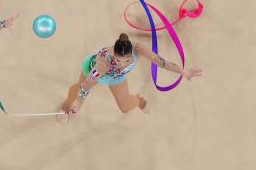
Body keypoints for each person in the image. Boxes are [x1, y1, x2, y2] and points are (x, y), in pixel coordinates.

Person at [59, 33, 203, 122]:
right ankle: (66, 108)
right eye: (117, 60)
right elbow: (88, 83)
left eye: (126, 61)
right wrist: (79, 102)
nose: (121, 64)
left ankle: (140, 101)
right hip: (91, 69)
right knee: (76, 91)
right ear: (113, 54)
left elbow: (162, 63)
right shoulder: (104, 62)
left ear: (131, 54)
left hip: (116, 78)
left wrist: (182, 71)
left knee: (125, 107)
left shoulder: (139, 49)